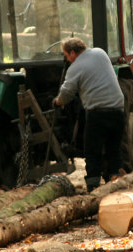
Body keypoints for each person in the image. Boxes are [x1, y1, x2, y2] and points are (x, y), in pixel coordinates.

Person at [53, 37, 125, 192]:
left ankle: (93, 187)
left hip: (97, 113)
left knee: (93, 151)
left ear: (72, 53)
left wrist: (57, 102)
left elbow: (67, 93)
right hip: (118, 109)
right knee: (114, 149)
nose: (67, 59)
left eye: (66, 56)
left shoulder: (75, 68)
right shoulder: (100, 53)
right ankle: (115, 178)